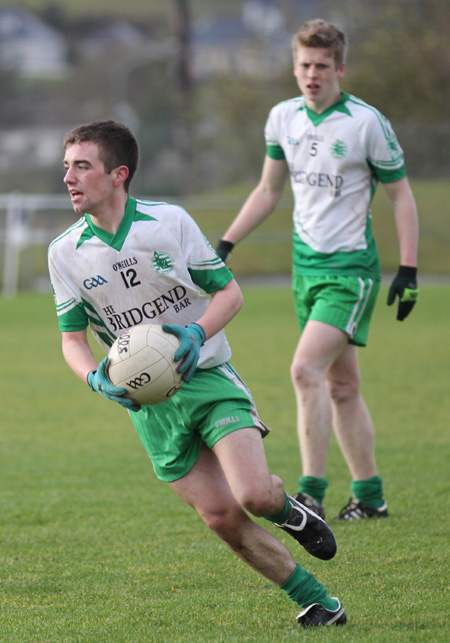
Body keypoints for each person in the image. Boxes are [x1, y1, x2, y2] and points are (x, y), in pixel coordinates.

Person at [48, 119, 347, 628]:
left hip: (206, 378)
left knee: (254, 494)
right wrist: (94, 379)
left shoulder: (168, 223)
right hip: (149, 405)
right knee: (222, 518)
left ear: (118, 174)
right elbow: (72, 340)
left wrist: (196, 333)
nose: (69, 179)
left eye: (82, 166)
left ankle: (292, 512)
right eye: (66, 168)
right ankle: (319, 602)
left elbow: (229, 293)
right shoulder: (64, 253)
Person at [216, 19, 419, 521]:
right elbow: (268, 191)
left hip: (351, 272)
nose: (311, 74)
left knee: (304, 370)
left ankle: (309, 492)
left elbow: (401, 195)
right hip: (304, 271)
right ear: (294, 67)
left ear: (340, 69)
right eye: (304, 65)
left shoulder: (365, 123)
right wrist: (225, 242)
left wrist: (408, 268)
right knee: (341, 385)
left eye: (321, 66)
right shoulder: (282, 118)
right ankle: (370, 498)